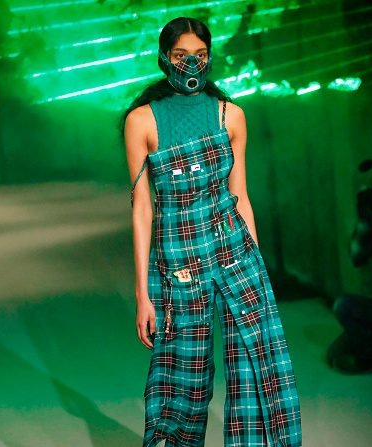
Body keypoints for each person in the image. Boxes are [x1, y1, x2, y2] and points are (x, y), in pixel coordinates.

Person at [122, 16, 302, 447]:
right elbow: (142, 208)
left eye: (200, 56)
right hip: (179, 265)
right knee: (180, 383)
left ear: (210, 58)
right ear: (165, 58)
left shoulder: (231, 116)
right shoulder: (142, 121)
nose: (191, 66)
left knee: (261, 372)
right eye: (182, 56)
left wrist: (258, 273)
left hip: (235, 253)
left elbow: (240, 196)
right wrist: (143, 295)